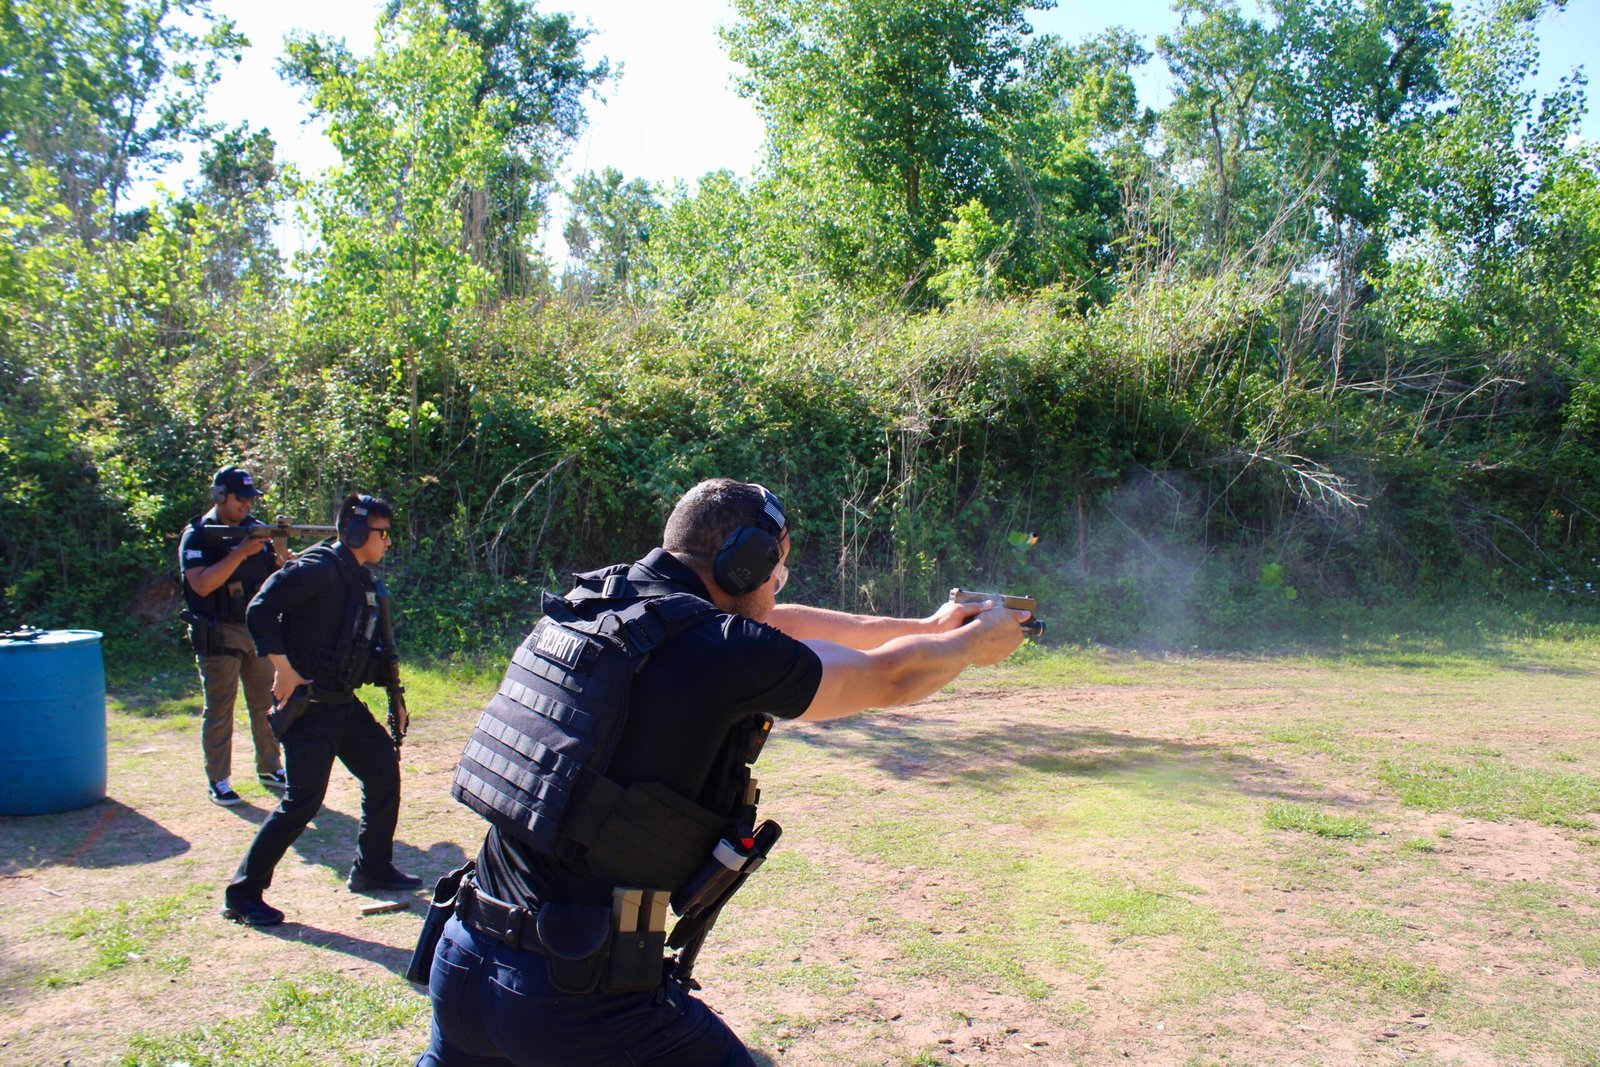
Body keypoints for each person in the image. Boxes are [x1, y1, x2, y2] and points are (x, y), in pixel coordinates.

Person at [415, 479, 1030, 1066]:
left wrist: (926, 629)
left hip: (465, 958)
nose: (778, 580)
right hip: (575, 994)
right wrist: (973, 646)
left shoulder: (607, 603)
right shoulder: (720, 648)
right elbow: (889, 679)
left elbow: (778, 623)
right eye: (777, 564)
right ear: (747, 562)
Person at [222, 493, 421, 927]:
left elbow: (376, 649)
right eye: (381, 533)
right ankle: (243, 893)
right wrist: (282, 668)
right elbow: (260, 609)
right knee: (302, 802)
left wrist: (396, 699)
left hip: (343, 705)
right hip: (309, 709)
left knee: (383, 770)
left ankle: (372, 867)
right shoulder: (317, 568)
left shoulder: (361, 579)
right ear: (353, 533)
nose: (387, 542)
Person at [178, 465, 285, 806]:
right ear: (220, 495)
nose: (247, 506)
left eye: (250, 500)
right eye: (240, 499)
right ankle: (219, 779)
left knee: (267, 704)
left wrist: (286, 561)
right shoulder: (198, 534)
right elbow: (202, 583)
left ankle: (270, 767)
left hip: (253, 629)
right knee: (220, 709)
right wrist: (240, 552)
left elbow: (274, 572)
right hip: (217, 631)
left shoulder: (255, 531)